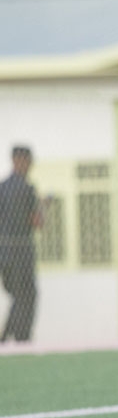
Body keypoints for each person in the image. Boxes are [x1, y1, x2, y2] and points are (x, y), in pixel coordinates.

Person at [0, 146, 44, 343]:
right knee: (27, 296)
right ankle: (21, 339)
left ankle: (8, 338)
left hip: (4, 253)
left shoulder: (2, 188)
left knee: (18, 296)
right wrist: (44, 207)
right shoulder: (27, 188)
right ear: (23, 161)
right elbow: (36, 222)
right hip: (22, 252)